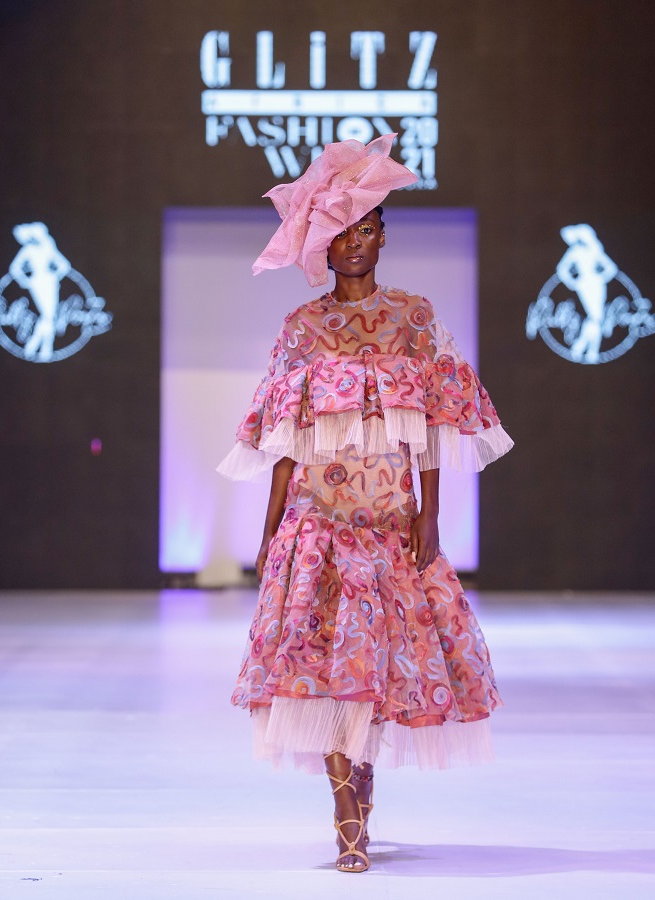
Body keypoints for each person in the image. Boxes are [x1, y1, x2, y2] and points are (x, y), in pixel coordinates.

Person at [218, 135, 514, 873]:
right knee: (328, 672)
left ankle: (363, 787)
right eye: (342, 231)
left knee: (375, 673)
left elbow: (436, 422)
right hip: (317, 525)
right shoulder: (303, 329)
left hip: (389, 525)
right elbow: (286, 438)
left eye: (368, 228)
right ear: (324, 242)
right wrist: (270, 531)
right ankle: (346, 815)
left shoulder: (414, 319)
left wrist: (430, 514)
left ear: (384, 235)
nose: (355, 242)